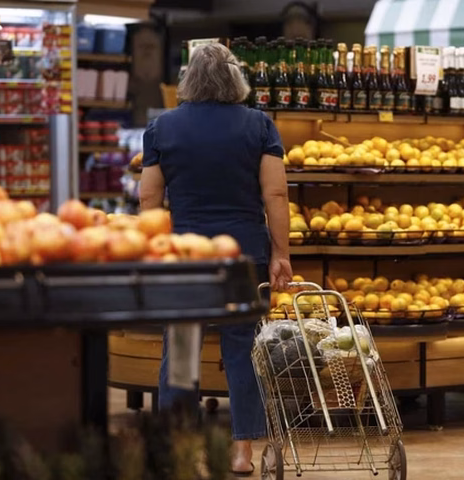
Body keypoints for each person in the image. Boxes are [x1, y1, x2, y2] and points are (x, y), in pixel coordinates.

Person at [139, 42, 293, 476]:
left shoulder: (162, 127)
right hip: (244, 254)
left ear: (190, 79)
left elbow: (149, 194)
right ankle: (242, 452)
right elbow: (275, 193)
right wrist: (280, 252)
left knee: (183, 347)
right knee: (244, 350)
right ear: (235, 79)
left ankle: (177, 446)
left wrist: (153, 250)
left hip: (185, 255)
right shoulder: (259, 125)